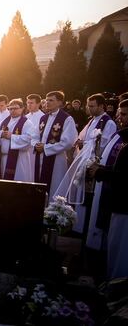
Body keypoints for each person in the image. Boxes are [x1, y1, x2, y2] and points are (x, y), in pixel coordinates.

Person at [57, 94, 117, 236]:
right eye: (88, 106)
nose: (88, 109)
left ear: (102, 106)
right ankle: (78, 226)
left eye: (92, 106)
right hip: (83, 162)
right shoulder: (92, 121)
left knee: (88, 198)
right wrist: (78, 141)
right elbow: (82, 136)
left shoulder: (108, 123)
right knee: (80, 194)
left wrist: (84, 144)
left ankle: (85, 229)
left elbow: (104, 144)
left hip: (94, 165)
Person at [89, 99, 128, 279]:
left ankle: (117, 289)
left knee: (121, 250)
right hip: (117, 202)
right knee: (114, 247)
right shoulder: (123, 136)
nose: (119, 117)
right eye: (119, 113)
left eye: (124, 114)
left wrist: (102, 173)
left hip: (124, 206)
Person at [34, 91, 78, 196]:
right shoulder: (43, 118)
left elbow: (68, 142)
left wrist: (46, 148)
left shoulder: (67, 119)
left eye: (51, 100)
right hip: (40, 157)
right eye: (46, 100)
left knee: (54, 187)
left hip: (56, 160)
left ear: (59, 102)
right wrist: (36, 144)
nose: (47, 103)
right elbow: (35, 135)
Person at [0, 99, 36, 182]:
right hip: (3, 158)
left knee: (18, 181)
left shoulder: (27, 123)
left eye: (15, 108)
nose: (12, 110)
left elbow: (29, 139)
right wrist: (0, 134)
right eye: (10, 108)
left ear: (22, 108)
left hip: (19, 159)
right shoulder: (5, 121)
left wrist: (12, 137)